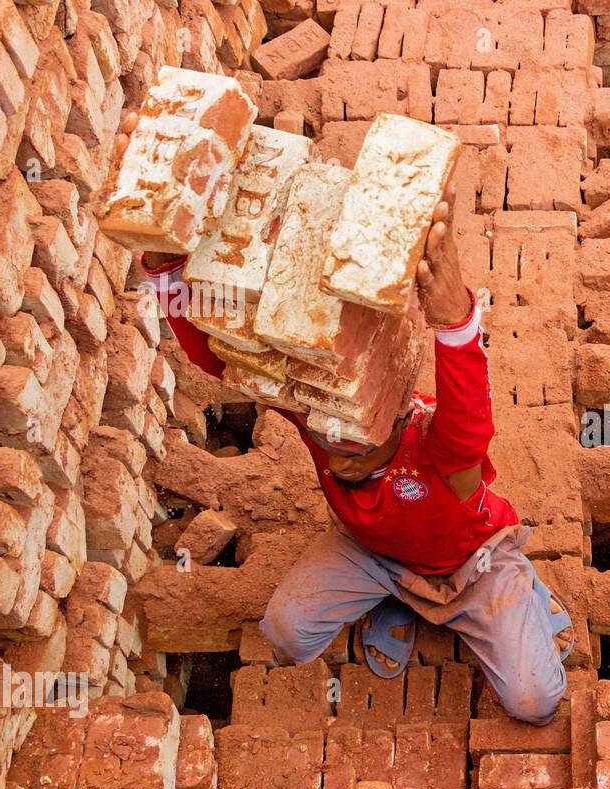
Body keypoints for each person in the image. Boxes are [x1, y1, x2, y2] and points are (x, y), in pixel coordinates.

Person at [118, 112, 571, 725]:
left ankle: (523, 598)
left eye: (356, 447)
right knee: (286, 634)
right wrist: (165, 266)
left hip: (474, 567)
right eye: (327, 438)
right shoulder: (327, 407)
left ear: (391, 420)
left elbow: (470, 421)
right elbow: (215, 358)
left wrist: (456, 319)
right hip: (373, 556)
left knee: (534, 703)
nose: (335, 456)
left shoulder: (440, 452)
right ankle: (401, 602)